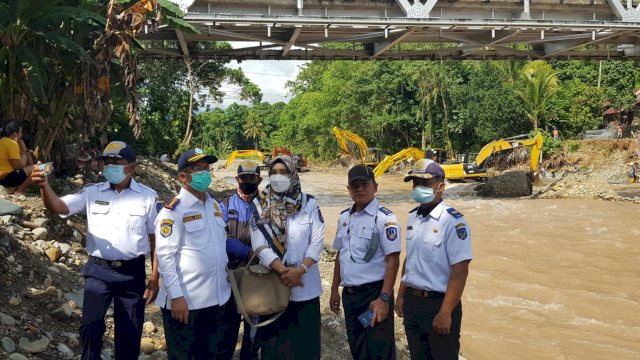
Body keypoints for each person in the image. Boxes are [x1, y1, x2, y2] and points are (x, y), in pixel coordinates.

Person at [31, 140, 160, 360]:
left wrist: (155, 279)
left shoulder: (148, 197)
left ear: (132, 166)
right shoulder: (92, 192)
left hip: (132, 274)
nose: (110, 165)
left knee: (130, 332)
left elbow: (156, 239)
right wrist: (44, 186)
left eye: (116, 161)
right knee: (91, 326)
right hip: (98, 272)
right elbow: (58, 207)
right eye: (106, 161)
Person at [155, 148, 237, 360]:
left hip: (216, 300)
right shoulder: (173, 211)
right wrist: (176, 297)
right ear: (183, 176)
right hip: (186, 304)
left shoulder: (214, 206)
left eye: (206, 169)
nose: (205, 174)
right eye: (197, 169)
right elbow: (165, 257)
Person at [395, 159, 473, 360]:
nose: (418, 188)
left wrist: (446, 312)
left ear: (440, 186)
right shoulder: (414, 217)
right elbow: (410, 259)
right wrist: (401, 296)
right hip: (413, 303)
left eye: (425, 183)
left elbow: (460, 270)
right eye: (415, 183)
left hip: (439, 304)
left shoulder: (453, 221)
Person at [250, 155, 324, 360]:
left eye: (283, 172)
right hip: (273, 286)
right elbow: (259, 245)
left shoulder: (309, 203)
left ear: (293, 174)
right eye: (273, 172)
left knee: (306, 347)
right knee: (274, 348)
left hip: (306, 287)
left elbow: (316, 242)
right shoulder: (259, 205)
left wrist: (301, 270)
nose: (277, 176)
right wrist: (284, 271)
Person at [330, 165, 401, 360]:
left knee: (378, 349)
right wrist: (334, 289)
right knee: (358, 345)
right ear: (349, 189)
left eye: (364, 184)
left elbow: (393, 260)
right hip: (351, 298)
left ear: (375, 187)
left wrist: (384, 299)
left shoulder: (385, 219)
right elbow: (340, 255)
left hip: (373, 297)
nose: (360, 189)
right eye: (355, 185)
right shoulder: (344, 217)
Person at [221, 160, 264, 360]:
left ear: (259, 180)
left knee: (254, 324)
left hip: (258, 274)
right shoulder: (225, 204)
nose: (248, 181)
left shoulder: (267, 205)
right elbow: (220, 238)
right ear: (237, 179)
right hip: (229, 273)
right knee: (227, 324)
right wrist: (247, 252)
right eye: (244, 178)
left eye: (252, 178)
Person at [0, 121, 35, 195]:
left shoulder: (3, 141)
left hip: (4, 177)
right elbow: (17, 166)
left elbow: (25, 154)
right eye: (21, 132)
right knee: (41, 168)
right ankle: (20, 190)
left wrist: (25, 151)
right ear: (15, 134)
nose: (21, 135)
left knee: (26, 159)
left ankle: (19, 189)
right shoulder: (12, 144)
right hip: (5, 179)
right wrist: (26, 167)